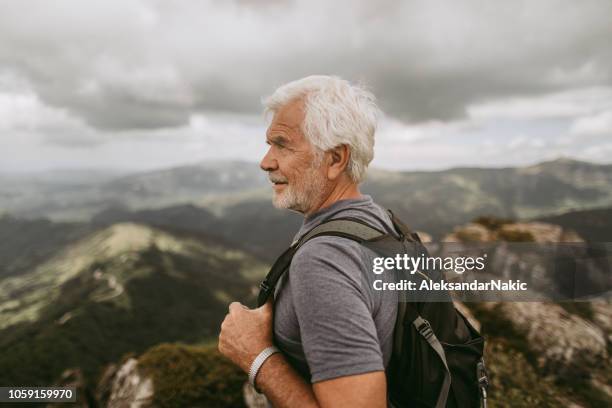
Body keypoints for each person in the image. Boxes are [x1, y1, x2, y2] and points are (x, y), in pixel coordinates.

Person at [218, 75, 400, 407]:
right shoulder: (377, 221)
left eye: (282, 144)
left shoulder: (323, 259)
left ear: (335, 159)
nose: (266, 161)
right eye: (268, 144)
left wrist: (257, 357)